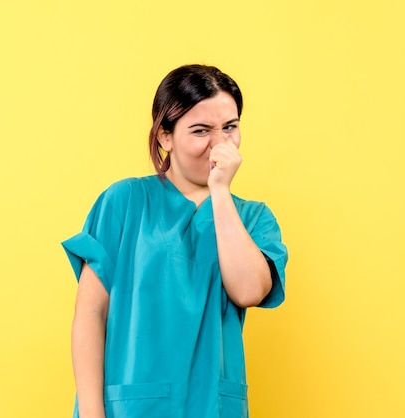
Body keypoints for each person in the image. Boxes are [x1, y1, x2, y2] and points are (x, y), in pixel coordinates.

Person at [61, 64, 288, 418]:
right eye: (201, 130)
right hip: (129, 407)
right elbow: (91, 313)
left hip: (212, 406)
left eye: (230, 127)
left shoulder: (253, 219)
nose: (220, 144)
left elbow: (248, 291)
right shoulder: (124, 201)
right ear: (165, 136)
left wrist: (220, 191)